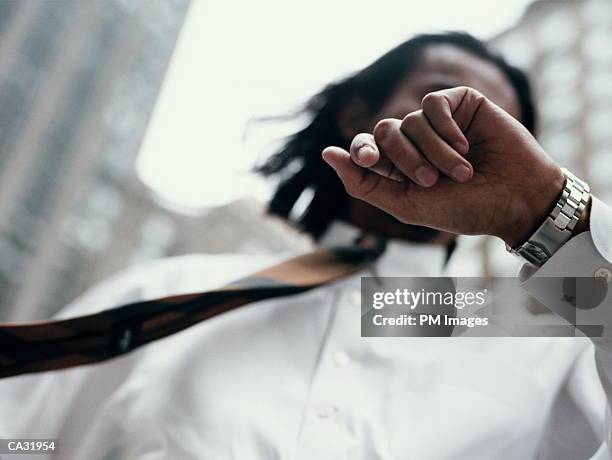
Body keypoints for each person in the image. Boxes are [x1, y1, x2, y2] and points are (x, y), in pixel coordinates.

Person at [0, 32, 610, 460]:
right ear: (356, 115)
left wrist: (542, 212)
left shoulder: (545, 341)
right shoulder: (162, 294)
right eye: (438, 95)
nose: (461, 134)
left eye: (497, 130)